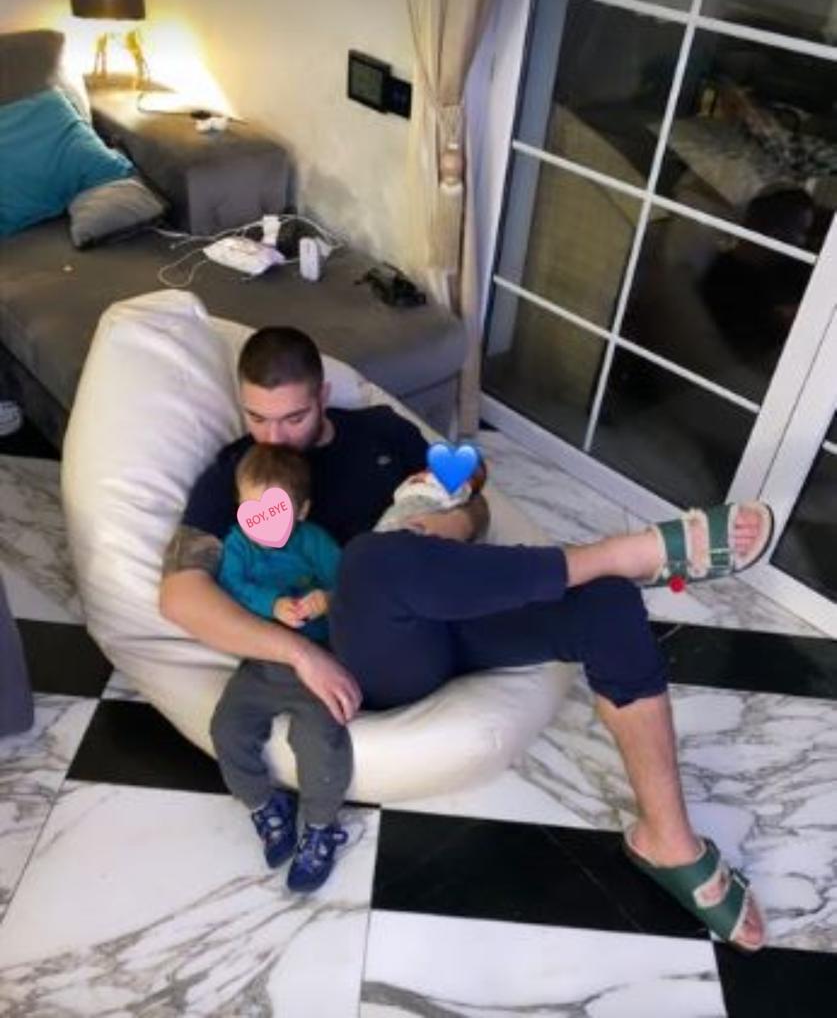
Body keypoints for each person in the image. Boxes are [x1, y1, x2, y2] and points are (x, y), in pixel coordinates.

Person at [160, 326, 770, 949]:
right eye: (257, 417)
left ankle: (667, 838)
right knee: (370, 560)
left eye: (292, 417)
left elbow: (472, 503)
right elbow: (180, 595)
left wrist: (446, 527)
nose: (273, 437)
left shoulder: (380, 432)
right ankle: (622, 553)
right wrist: (299, 653)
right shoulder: (239, 474)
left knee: (608, 605)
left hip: (457, 616)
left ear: (321, 396)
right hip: (369, 658)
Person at [212, 440, 488, 891]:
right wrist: (272, 603)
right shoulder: (238, 546)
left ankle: (321, 827)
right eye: (251, 512)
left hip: (323, 663)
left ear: (301, 511)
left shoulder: (315, 543)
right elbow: (231, 586)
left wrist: (327, 599)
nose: (261, 525)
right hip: (264, 662)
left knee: (319, 741)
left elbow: (356, 585)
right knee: (228, 727)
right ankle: (264, 805)